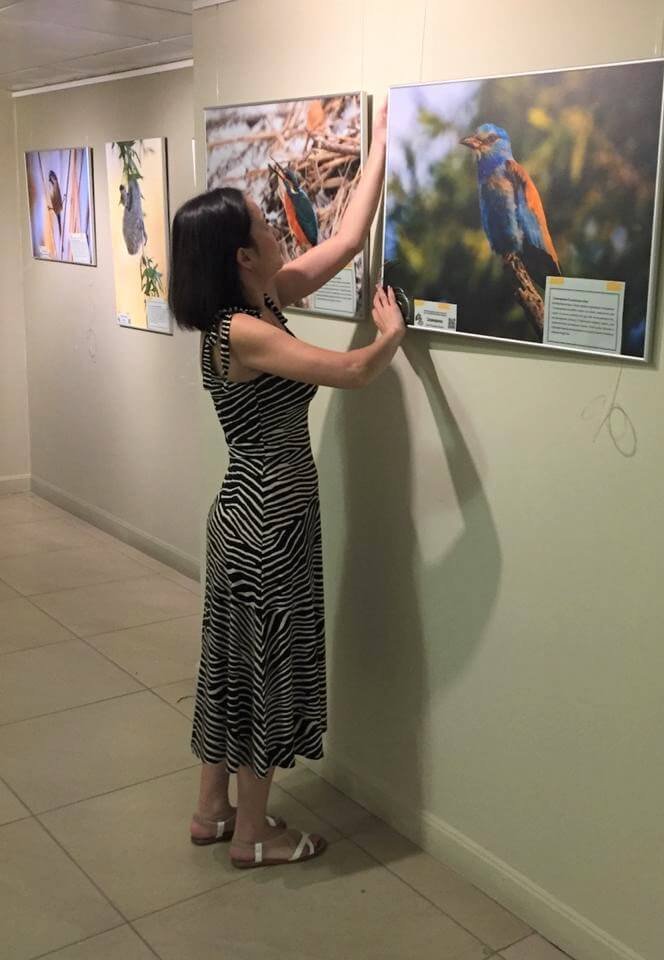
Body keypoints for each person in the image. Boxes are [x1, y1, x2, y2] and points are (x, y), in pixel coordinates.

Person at [168, 103, 405, 869]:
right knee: (263, 670)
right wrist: (391, 336)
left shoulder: (262, 299)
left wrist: (381, 146)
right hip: (269, 521)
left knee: (233, 665)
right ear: (242, 256)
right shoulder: (244, 331)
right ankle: (254, 835)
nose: (277, 226)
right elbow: (353, 371)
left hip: (250, 514)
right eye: (263, 223)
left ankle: (211, 810)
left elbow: (345, 239)